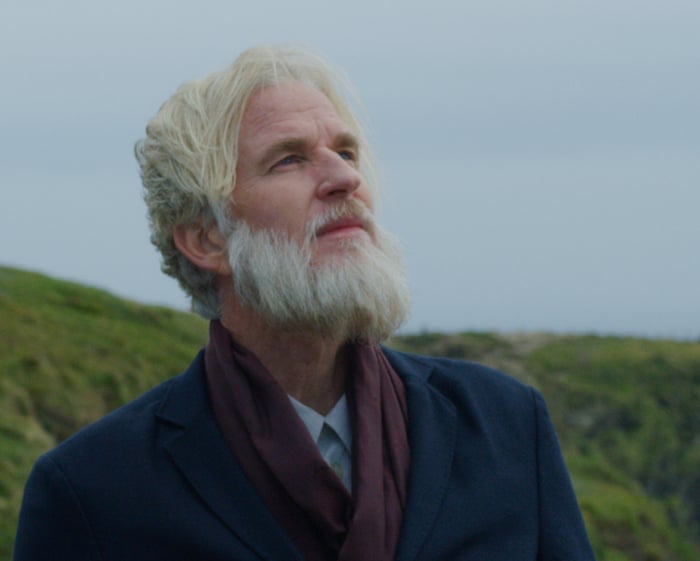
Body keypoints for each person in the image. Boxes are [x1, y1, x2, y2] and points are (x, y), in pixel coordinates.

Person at [14, 45, 595, 561]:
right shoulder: (94, 491)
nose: (345, 178)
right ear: (207, 238)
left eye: (347, 152)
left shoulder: (506, 425)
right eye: (289, 159)